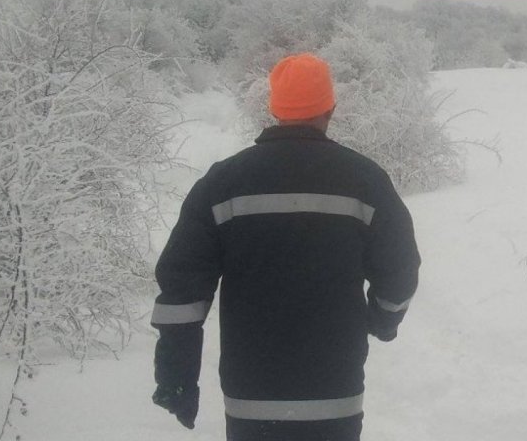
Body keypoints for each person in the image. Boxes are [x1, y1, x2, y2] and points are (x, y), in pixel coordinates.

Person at [150, 53, 420, 441]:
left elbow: (182, 287)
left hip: (251, 400)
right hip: (335, 394)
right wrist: (381, 320)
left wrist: (177, 375)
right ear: (331, 107)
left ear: (275, 108)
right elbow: (399, 272)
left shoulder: (223, 183)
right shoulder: (365, 180)